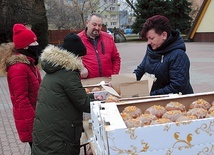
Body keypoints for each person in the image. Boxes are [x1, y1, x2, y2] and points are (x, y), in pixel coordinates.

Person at [31, 33, 101, 155]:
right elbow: (83, 104)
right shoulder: (69, 73)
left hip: (48, 134)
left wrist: (93, 96)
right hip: (59, 139)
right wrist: (104, 105)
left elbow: (72, 97)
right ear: (74, 56)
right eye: (80, 57)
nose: (81, 60)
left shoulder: (56, 68)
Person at [0, 24, 41, 148]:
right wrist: (35, 127)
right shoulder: (19, 68)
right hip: (31, 123)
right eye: (34, 43)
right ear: (25, 46)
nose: (37, 44)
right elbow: (22, 101)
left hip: (37, 117)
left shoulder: (29, 63)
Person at [134, 15, 193, 96]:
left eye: (151, 38)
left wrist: (150, 95)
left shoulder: (178, 55)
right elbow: (140, 70)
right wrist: (122, 82)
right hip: (155, 100)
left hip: (175, 103)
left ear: (164, 35)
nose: (148, 42)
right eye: (147, 39)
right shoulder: (151, 50)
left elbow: (177, 86)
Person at [78, 13, 121, 79]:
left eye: (99, 25)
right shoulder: (77, 40)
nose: (97, 28)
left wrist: (114, 75)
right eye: (94, 25)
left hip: (107, 82)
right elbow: (70, 60)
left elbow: (116, 59)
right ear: (87, 23)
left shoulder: (108, 38)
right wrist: (81, 68)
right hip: (87, 83)